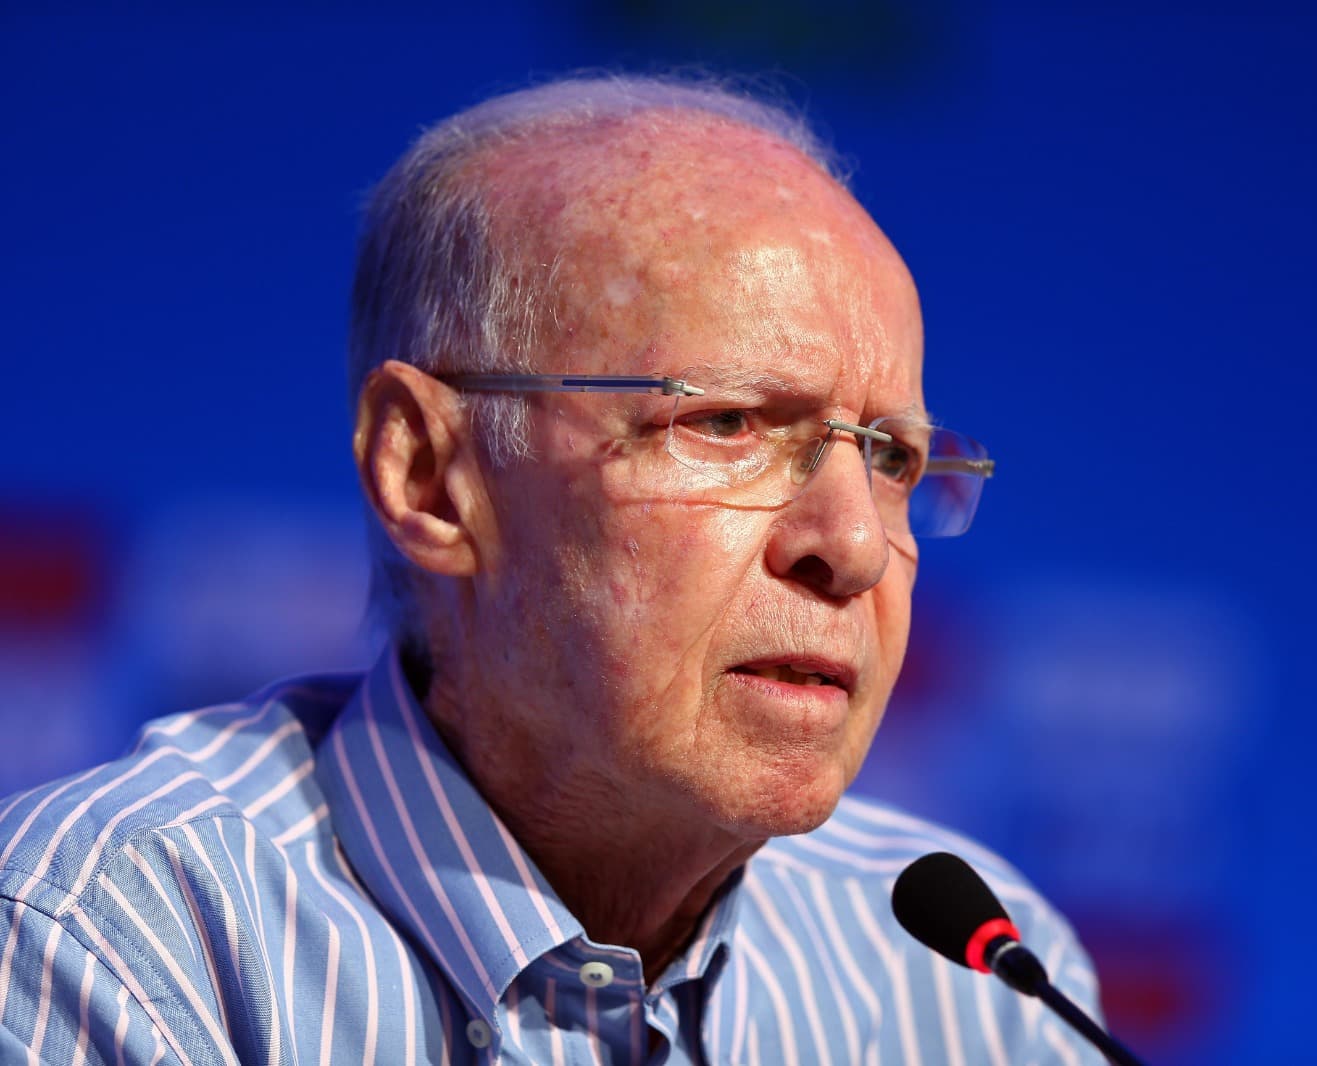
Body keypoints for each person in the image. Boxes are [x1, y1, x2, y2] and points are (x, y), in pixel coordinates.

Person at [0, 75, 1101, 1064]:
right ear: (430, 476)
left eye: (894, 458)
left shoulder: (975, 991)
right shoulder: (108, 942)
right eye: (725, 422)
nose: (854, 545)